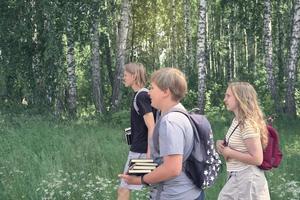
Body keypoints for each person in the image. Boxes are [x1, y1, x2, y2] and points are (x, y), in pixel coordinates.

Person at [119, 67, 204, 200]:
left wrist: (139, 180)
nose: (149, 93)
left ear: (165, 92)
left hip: (176, 195)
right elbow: (165, 160)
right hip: (186, 192)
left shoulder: (170, 122)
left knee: (123, 188)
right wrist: (140, 168)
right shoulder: (179, 114)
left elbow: (172, 168)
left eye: (152, 88)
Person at [216, 82, 270, 200]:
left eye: (228, 96)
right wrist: (220, 144)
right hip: (238, 176)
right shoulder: (237, 120)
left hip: (248, 179)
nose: (225, 99)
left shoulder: (247, 124)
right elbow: (237, 144)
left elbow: (257, 159)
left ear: (240, 98)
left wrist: (230, 153)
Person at [117, 63, 156, 200]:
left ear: (134, 76)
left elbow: (152, 126)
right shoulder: (140, 95)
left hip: (140, 152)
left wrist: (149, 154)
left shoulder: (141, 96)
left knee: (124, 188)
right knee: (155, 188)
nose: (123, 78)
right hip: (141, 149)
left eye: (126, 75)